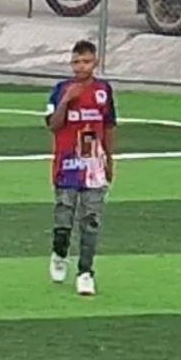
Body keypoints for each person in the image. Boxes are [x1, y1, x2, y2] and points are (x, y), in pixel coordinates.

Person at [46, 40, 117, 297]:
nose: (80, 67)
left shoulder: (103, 90)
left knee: (91, 220)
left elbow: (108, 127)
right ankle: (59, 252)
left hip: (94, 165)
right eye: (76, 62)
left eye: (86, 61)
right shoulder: (61, 89)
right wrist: (66, 101)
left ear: (95, 62)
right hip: (67, 163)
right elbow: (53, 125)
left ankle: (85, 272)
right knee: (64, 216)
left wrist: (110, 159)